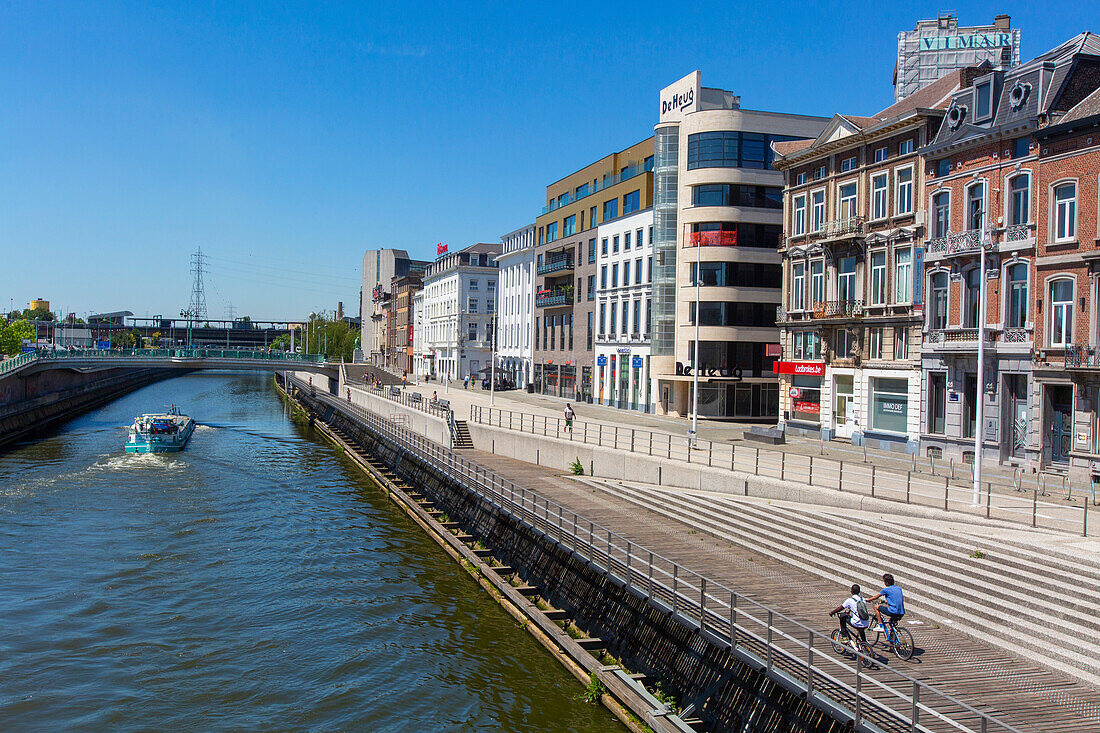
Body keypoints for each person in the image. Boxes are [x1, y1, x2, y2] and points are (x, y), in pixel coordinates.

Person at [829, 584, 871, 649]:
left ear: (851, 591)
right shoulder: (863, 599)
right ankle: (864, 642)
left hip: (857, 623)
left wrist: (832, 612)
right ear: (859, 591)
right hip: (866, 623)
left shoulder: (850, 600)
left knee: (842, 617)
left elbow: (840, 608)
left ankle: (844, 637)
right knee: (861, 629)